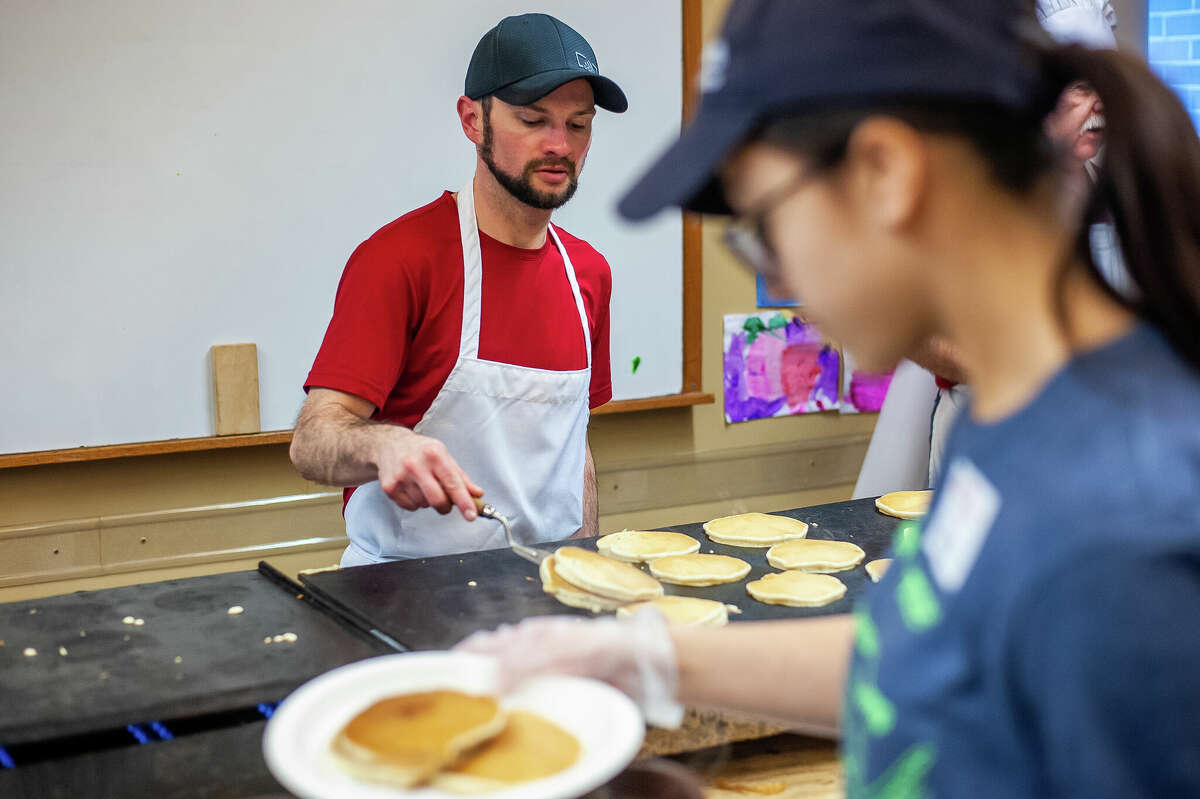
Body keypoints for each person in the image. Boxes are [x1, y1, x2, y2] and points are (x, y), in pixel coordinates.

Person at [458, 0, 1200, 795]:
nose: (772, 269)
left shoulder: (1128, 524)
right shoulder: (1014, 417)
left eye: (767, 224)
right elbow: (932, 650)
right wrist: (646, 657)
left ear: (887, 173)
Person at [289, 14, 626, 565]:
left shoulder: (587, 274)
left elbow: (573, 451)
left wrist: (585, 570)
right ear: (473, 120)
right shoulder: (400, 260)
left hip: (543, 595)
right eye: (532, 119)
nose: (559, 145)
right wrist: (382, 444)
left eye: (579, 124)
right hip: (403, 594)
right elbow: (312, 442)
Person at [854, 0, 1122, 496]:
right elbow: (912, 325)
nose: (1100, 105)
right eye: (1083, 88)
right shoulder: (965, 194)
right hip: (986, 433)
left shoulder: (1115, 195)